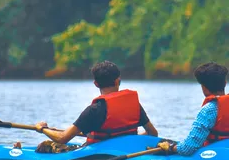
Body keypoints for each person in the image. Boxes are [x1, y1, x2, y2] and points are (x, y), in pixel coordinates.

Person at [15, 60, 158, 152]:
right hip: (129, 150)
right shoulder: (133, 104)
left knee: (45, 146)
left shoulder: (95, 110)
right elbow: (153, 134)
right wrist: (127, 139)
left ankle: (17, 151)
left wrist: (43, 129)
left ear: (96, 84)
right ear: (118, 81)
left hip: (97, 152)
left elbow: (62, 138)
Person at [158, 62, 229, 155]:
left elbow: (187, 148)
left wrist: (171, 147)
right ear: (225, 83)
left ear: (204, 88)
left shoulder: (209, 110)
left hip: (216, 155)